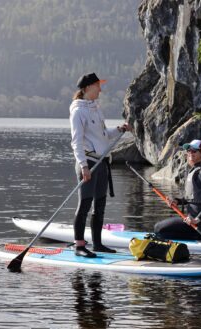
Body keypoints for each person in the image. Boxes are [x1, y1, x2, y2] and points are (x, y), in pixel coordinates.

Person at [69, 72, 130, 258]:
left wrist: (119, 129)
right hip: (88, 162)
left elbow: (104, 135)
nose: (100, 89)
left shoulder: (96, 107)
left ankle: (97, 244)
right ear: (87, 88)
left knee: (100, 205)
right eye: (97, 86)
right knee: (85, 204)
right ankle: (79, 246)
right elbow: (76, 142)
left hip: (102, 162)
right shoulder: (78, 111)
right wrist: (83, 166)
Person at [154, 139, 201, 240]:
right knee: (159, 229)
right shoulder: (195, 170)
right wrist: (177, 201)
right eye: (189, 151)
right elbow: (191, 199)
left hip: (199, 221)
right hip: (189, 219)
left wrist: (197, 219)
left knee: (159, 229)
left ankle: (198, 236)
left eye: (194, 151)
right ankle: (195, 236)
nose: (190, 153)